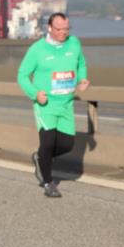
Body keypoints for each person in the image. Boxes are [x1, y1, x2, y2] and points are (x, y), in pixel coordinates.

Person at [18, 13, 89, 198]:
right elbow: (22, 75)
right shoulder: (38, 49)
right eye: (59, 29)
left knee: (67, 145)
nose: (63, 33)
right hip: (46, 105)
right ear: (49, 28)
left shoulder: (74, 43)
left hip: (66, 104)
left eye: (66, 29)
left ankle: (40, 158)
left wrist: (83, 78)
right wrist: (35, 94)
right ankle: (48, 183)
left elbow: (81, 63)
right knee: (48, 143)